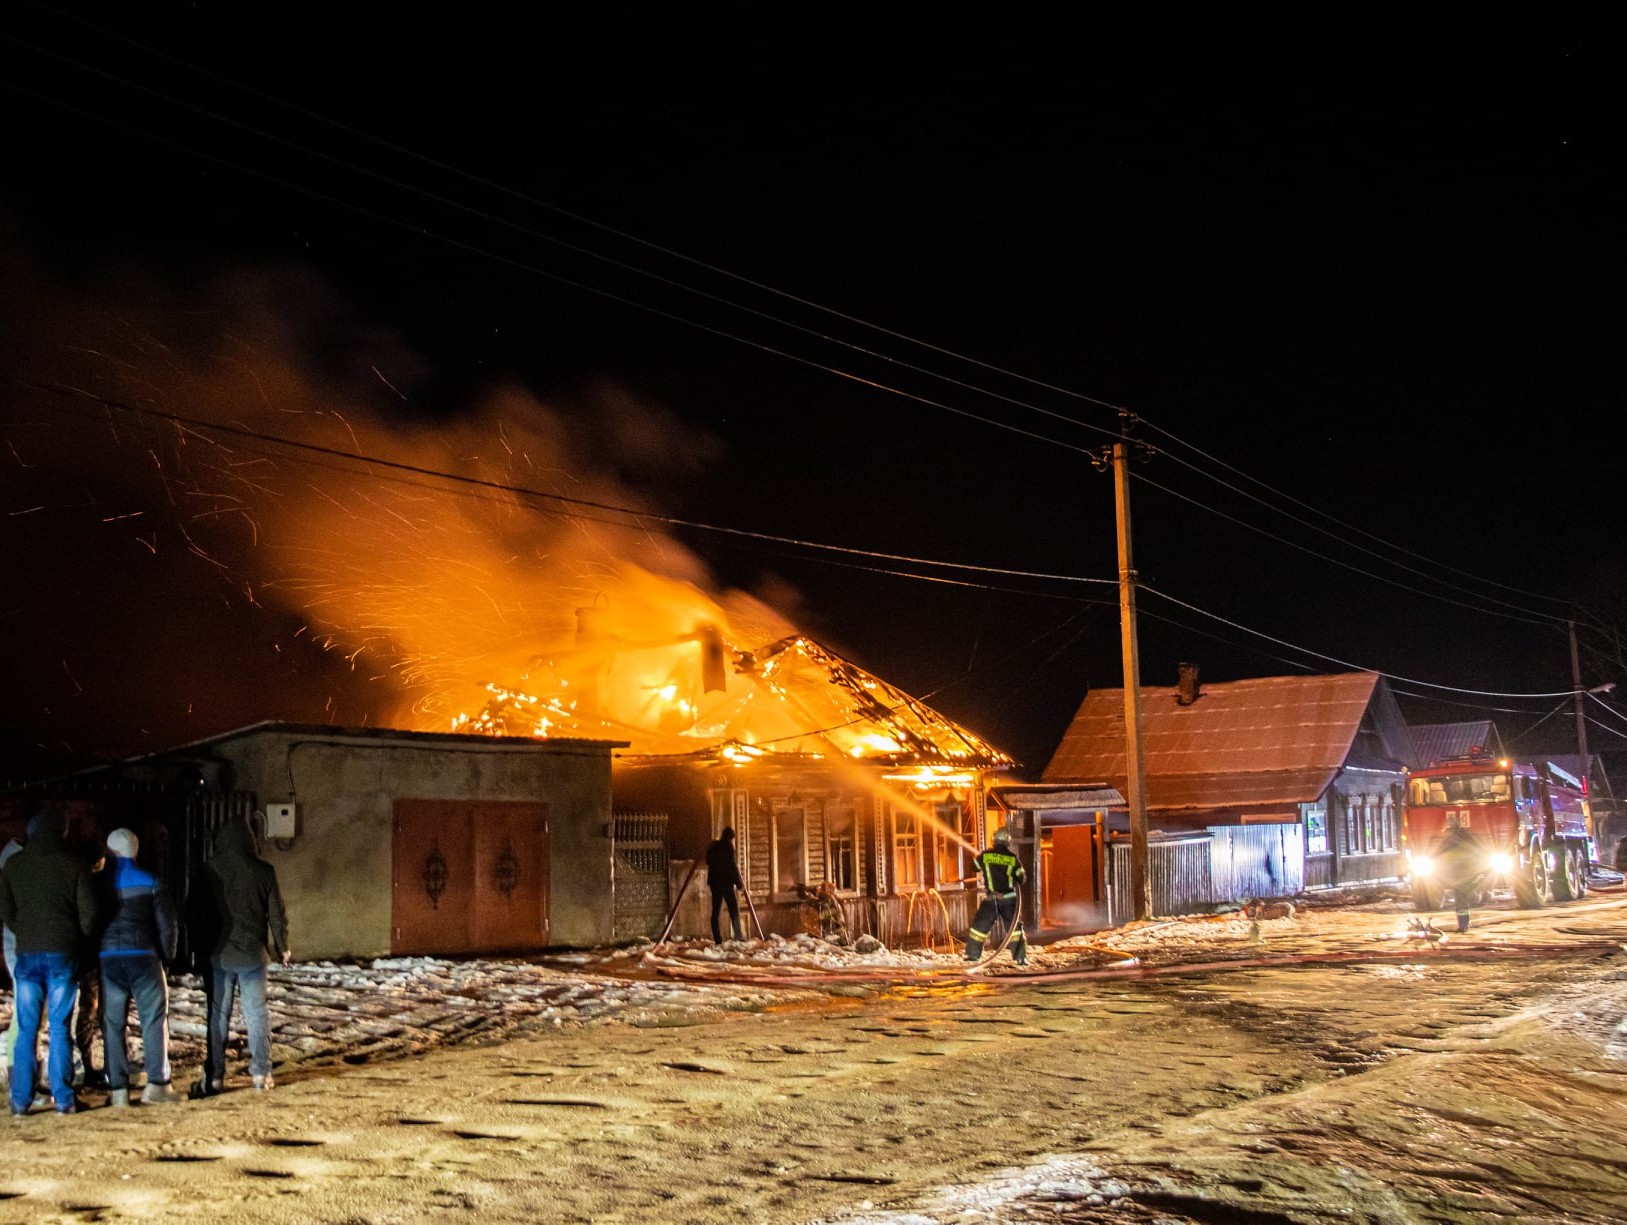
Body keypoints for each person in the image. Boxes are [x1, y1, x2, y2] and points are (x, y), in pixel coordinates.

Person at [0, 805, 97, 1114]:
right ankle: (64, 1099)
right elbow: (90, 916)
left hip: (27, 955)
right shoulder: (74, 865)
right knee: (59, 1026)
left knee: (27, 1028)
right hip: (62, 955)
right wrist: (74, 938)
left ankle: (20, 1100)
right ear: (61, 831)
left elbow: (6, 911)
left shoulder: (13, 865)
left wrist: (26, 931)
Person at [190, 813, 290, 1097]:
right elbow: (276, 914)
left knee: (218, 1016)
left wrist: (199, 949)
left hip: (219, 956)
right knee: (257, 1014)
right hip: (253, 956)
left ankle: (216, 1076)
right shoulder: (264, 871)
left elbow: (196, 913)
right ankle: (262, 1073)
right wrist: (282, 946)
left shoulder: (210, 869)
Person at [97, 828, 181, 1107]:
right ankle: (157, 1083)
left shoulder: (98, 884)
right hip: (144, 957)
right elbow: (167, 925)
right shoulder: (151, 881)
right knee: (154, 1019)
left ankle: (118, 1089)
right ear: (136, 849)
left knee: (112, 1023)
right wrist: (167, 957)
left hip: (108, 959)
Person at [966, 825, 1027, 967]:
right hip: (1009, 900)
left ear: (994, 840)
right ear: (1007, 842)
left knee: (978, 929)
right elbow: (1022, 878)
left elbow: (974, 866)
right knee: (1014, 930)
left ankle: (973, 956)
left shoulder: (985, 855)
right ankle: (1020, 958)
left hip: (991, 899)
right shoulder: (1012, 859)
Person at [1431, 812, 1488, 934]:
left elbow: (1438, 852)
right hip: (1472, 872)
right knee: (1465, 896)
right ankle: (1464, 923)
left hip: (1460, 874)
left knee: (1461, 899)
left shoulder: (1451, 839)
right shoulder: (1468, 835)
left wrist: (1429, 858)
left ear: (1450, 828)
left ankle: (1463, 925)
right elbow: (1481, 849)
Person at [705, 826, 745, 944]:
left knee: (716, 910)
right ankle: (738, 935)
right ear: (730, 838)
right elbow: (731, 867)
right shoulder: (728, 847)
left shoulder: (713, 846)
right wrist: (739, 884)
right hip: (726, 883)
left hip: (715, 883)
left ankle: (717, 938)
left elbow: (708, 861)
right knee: (733, 909)